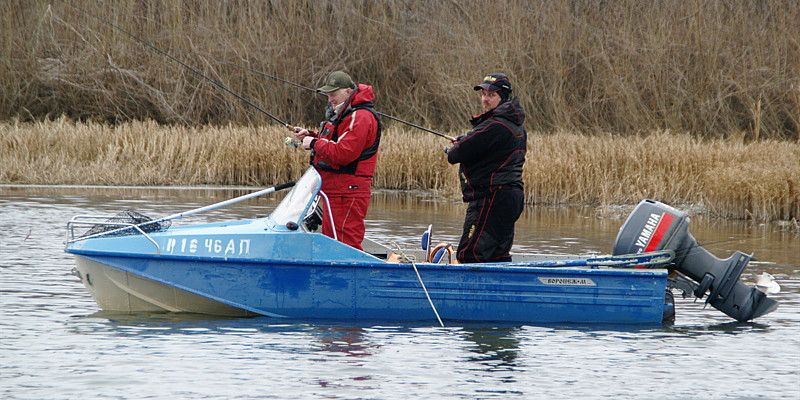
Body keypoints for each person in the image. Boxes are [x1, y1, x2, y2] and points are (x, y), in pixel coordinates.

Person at [294, 71, 380, 250]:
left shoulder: (361, 117)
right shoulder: (348, 114)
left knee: (344, 245)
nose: (329, 99)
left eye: (333, 94)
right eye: (327, 94)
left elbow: (343, 153)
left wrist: (315, 143)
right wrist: (310, 136)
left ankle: (349, 277)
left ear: (348, 92)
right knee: (332, 242)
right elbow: (337, 140)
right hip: (336, 191)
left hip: (348, 192)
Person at [445, 73, 527, 263]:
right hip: (511, 198)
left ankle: (469, 293)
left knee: (469, 255)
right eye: (483, 94)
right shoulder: (516, 126)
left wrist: (458, 145)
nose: (485, 99)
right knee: (498, 257)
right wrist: (464, 141)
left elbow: (455, 155)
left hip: (492, 198)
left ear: (503, 97)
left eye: (491, 95)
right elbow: (484, 148)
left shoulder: (496, 125)